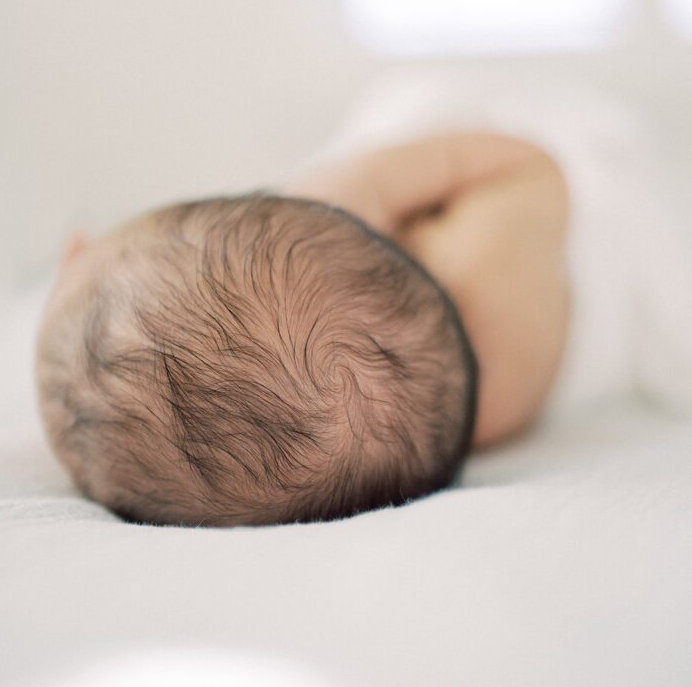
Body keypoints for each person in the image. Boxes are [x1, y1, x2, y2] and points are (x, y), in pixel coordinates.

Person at [36, 70, 691, 527]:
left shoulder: (457, 416)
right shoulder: (482, 274)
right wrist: (375, 178)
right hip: (599, 230)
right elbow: (537, 165)